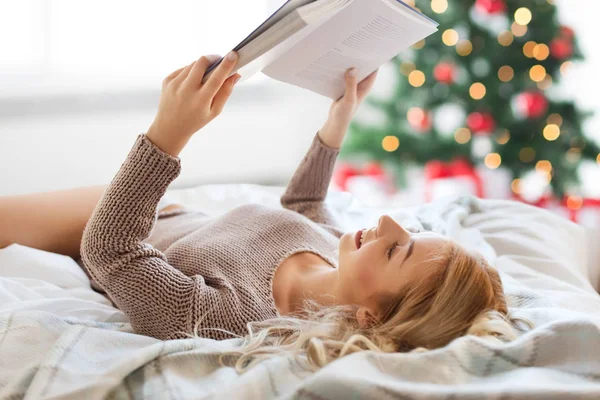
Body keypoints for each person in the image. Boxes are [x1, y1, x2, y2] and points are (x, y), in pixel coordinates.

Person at [0, 51, 531, 374]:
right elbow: (303, 207)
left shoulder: (233, 317)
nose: (389, 223)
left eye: (397, 249)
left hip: (106, 226)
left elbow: (110, 250)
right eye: (407, 230)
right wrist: (338, 121)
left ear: (369, 317)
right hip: (166, 209)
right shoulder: (336, 253)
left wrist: (169, 132)